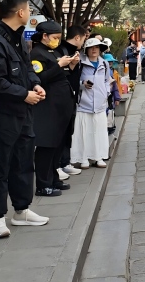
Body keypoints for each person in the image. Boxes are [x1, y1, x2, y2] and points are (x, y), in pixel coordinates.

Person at [0, 0, 49, 238]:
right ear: (20, 12)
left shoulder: (19, 37)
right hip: (4, 114)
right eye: (28, 9)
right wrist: (23, 94)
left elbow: (27, 68)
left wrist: (36, 84)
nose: (29, 13)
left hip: (24, 111)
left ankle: (21, 210)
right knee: (1, 166)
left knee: (24, 161)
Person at [30, 21, 78, 197]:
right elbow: (39, 78)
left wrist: (70, 65)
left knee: (57, 145)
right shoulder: (36, 53)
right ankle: (43, 184)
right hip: (48, 106)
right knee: (47, 145)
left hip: (62, 105)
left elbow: (62, 75)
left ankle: (54, 178)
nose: (57, 41)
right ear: (44, 36)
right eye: (55, 37)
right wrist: (59, 65)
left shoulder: (54, 51)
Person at [74, 37, 113, 168]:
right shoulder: (80, 63)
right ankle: (83, 158)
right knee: (84, 133)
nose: (94, 50)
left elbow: (107, 81)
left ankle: (99, 157)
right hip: (84, 104)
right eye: (91, 48)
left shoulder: (104, 64)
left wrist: (106, 93)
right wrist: (82, 84)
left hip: (100, 105)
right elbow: (73, 81)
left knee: (99, 132)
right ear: (86, 50)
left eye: (97, 47)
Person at [56, 25, 88, 179]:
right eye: (83, 39)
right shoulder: (61, 51)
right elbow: (60, 74)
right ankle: (56, 165)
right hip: (61, 97)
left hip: (72, 96)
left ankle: (65, 162)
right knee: (60, 132)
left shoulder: (76, 52)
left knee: (68, 131)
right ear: (77, 37)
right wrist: (71, 65)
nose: (83, 43)